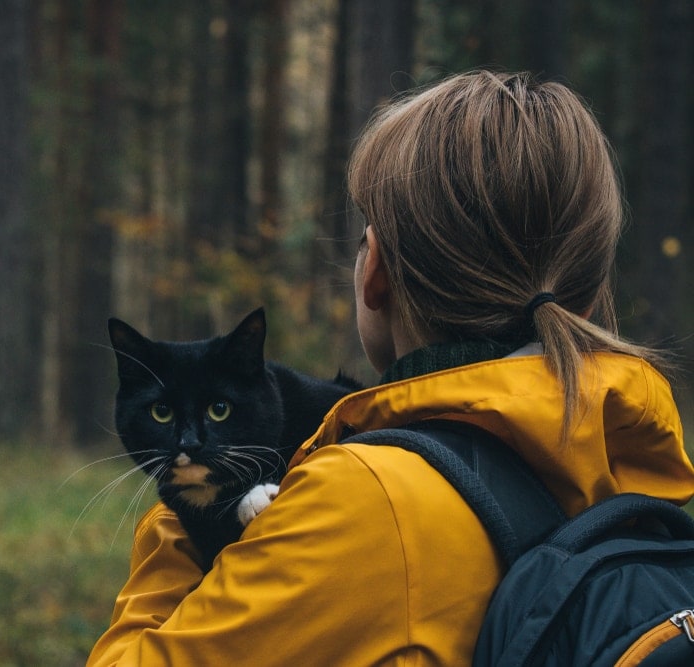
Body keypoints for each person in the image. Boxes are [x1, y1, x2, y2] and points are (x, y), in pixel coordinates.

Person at [86, 70, 694, 666]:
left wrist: (179, 521)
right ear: (584, 298)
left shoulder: (365, 501)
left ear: (374, 271)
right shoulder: (630, 460)